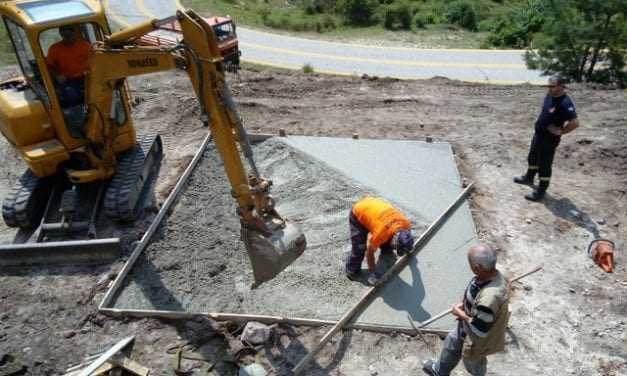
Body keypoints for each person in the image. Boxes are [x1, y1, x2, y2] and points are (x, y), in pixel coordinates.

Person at [422, 244, 509, 376]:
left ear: (478, 267)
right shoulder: (492, 274)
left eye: (470, 264)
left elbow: (480, 331)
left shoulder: (489, 299)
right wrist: (466, 305)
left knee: (473, 362)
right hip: (466, 324)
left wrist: (460, 314)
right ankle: (440, 371)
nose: (470, 267)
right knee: (451, 343)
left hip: (477, 339)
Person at [514, 74, 580, 201]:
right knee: (532, 157)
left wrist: (561, 131)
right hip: (538, 135)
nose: (549, 88)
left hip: (549, 140)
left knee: (544, 164)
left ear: (561, 86)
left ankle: (541, 190)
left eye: (552, 86)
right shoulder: (550, 95)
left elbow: (575, 123)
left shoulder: (565, 103)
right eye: (548, 85)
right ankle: (529, 177)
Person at [345, 196, 414, 286]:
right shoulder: (381, 233)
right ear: (395, 239)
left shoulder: (406, 225)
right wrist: (374, 273)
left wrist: (408, 248)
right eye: (396, 247)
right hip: (359, 212)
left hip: (374, 208)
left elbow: (405, 239)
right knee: (360, 248)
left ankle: (386, 250)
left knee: (388, 239)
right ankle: (352, 271)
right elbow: (369, 254)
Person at [46, 25, 90, 107]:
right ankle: (76, 114)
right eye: (65, 36)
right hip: (69, 80)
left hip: (87, 76)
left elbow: (94, 60)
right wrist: (57, 75)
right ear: (61, 35)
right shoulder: (55, 49)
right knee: (71, 94)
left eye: (70, 35)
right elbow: (49, 65)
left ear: (75, 33)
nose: (68, 38)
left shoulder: (85, 45)